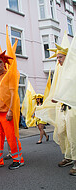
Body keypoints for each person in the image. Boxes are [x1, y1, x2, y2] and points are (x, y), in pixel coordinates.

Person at [48, 43, 76, 176]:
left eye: (61, 57)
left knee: (73, 134)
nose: (58, 60)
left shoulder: (73, 70)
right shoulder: (60, 72)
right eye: (57, 58)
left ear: (67, 57)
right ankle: (69, 156)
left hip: (72, 107)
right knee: (62, 132)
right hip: (62, 107)